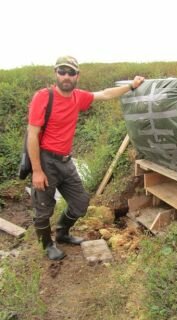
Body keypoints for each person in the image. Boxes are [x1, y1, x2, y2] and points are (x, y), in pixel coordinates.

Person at [27, 55, 144, 260]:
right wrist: (37, 170)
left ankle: (62, 233)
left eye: (71, 72)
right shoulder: (43, 97)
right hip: (45, 160)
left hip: (65, 161)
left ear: (77, 76)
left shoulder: (78, 97)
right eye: (62, 71)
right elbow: (32, 135)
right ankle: (47, 245)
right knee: (44, 209)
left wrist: (132, 86)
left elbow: (106, 94)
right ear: (56, 73)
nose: (66, 76)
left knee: (80, 203)